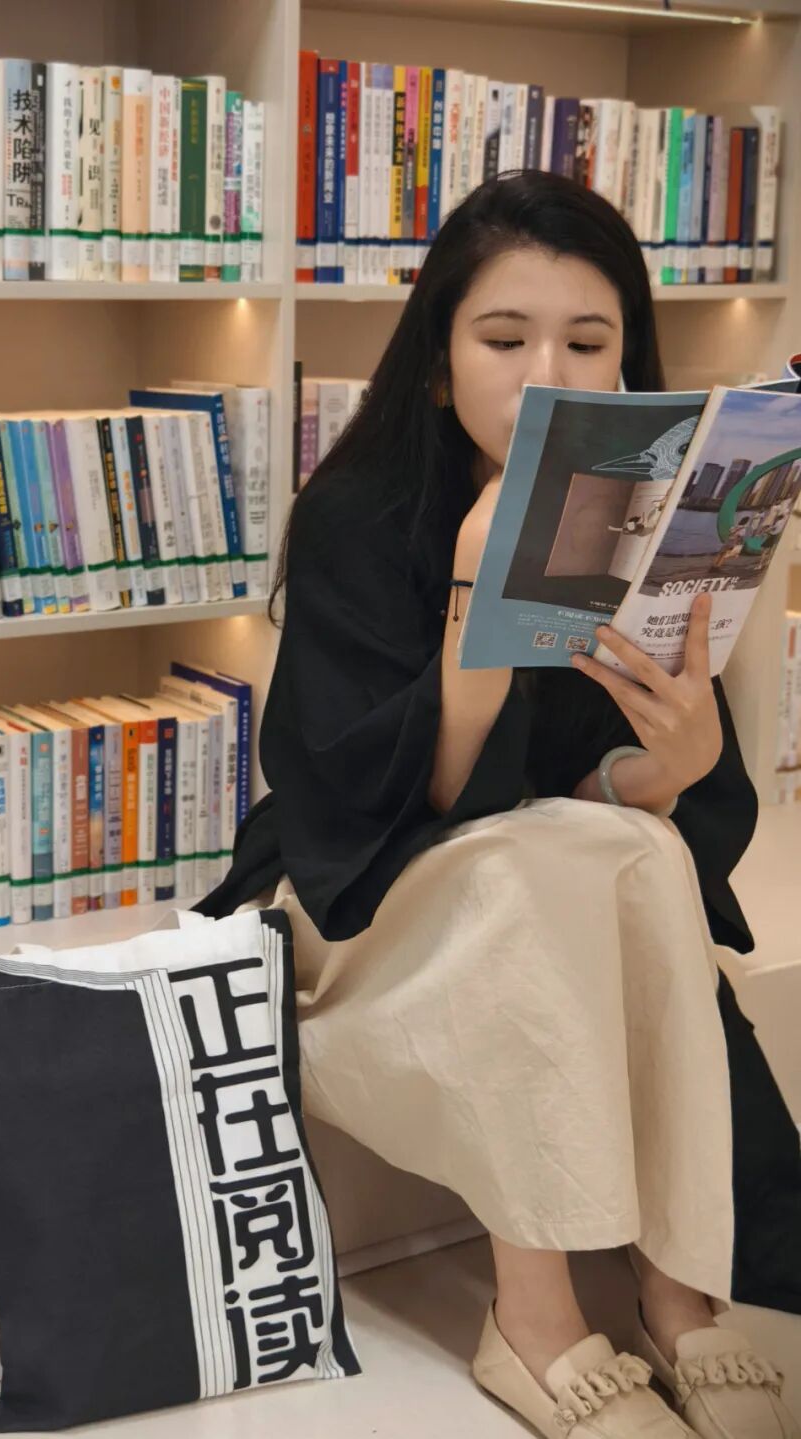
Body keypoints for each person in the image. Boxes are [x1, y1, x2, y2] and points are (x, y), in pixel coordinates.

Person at [194, 172, 801, 1439]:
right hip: (359, 915)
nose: (543, 374)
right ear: (438, 362)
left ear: (627, 364)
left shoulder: (642, 514)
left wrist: (676, 762)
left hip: (543, 884)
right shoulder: (358, 514)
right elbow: (386, 812)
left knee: (635, 845)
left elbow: (592, 793)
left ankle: (675, 1290)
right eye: (504, 338)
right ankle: (532, 1314)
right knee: (536, 861)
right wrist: (480, 589)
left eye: (586, 342)